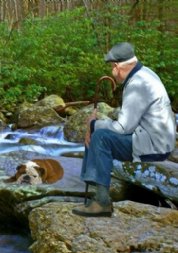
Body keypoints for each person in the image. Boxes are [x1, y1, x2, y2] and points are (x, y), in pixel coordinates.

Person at [72, 42, 176, 217]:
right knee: (100, 132)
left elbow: (122, 128)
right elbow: (131, 117)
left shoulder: (137, 84)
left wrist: (93, 124)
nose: (112, 71)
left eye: (112, 67)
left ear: (117, 66)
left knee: (100, 137)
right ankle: (97, 192)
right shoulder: (145, 74)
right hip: (158, 139)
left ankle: (102, 201)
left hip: (153, 145)